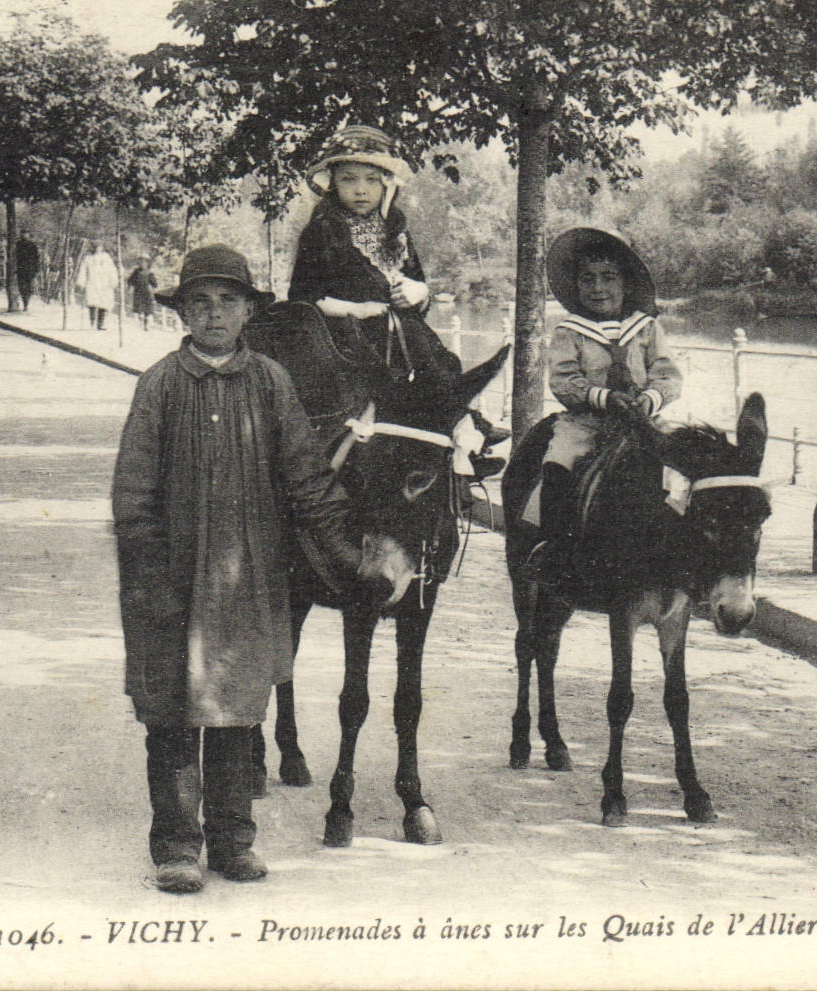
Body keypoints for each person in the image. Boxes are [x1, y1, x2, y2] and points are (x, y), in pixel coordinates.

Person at [111, 245, 364, 894]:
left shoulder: (271, 384)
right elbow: (133, 493)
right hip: (169, 579)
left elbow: (307, 477)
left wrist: (346, 551)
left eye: (228, 301)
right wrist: (147, 575)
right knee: (170, 715)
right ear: (181, 314)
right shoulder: (160, 385)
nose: (214, 313)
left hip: (246, 577)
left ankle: (231, 841)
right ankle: (176, 846)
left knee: (235, 712)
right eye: (199, 302)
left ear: (250, 311)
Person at [290, 124, 508, 473]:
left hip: (402, 333)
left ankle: (460, 442)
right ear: (333, 184)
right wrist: (358, 309)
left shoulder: (397, 232)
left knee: (439, 359)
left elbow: (418, 286)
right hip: (344, 335)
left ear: (386, 185)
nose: (360, 189)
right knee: (403, 362)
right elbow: (303, 298)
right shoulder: (322, 231)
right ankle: (460, 427)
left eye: (371, 180)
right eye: (348, 179)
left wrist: (418, 293)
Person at [520, 227, 682, 583]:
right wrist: (603, 397)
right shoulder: (570, 331)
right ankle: (553, 548)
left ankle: (682, 556)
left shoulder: (647, 328)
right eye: (588, 279)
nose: (598, 288)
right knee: (558, 463)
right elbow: (563, 380)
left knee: (681, 469)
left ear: (626, 283)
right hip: (587, 422)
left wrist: (650, 398)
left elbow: (668, 375)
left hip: (642, 421)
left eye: (608, 278)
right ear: (576, 286)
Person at [78, 242, 118, 330]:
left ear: (102, 248)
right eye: (95, 247)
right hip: (92, 282)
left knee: (103, 304)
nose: (97, 249)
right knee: (92, 302)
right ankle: (92, 323)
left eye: (99, 247)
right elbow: (83, 270)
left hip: (104, 284)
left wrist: (113, 281)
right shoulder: (88, 258)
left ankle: (100, 324)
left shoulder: (107, 258)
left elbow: (112, 270)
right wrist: (82, 282)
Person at [13, 230, 41, 312]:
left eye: (26, 234)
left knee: (29, 288)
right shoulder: (18, 244)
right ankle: (24, 302)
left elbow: (36, 259)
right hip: (20, 269)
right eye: (23, 234)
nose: (24, 236)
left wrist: (36, 270)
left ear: (29, 235)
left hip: (30, 270)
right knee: (21, 287)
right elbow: (14, 257)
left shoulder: (33, 246)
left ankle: (26, 304)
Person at [128, 262, 154, 329]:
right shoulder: (136, 272)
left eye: (145, 262)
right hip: (138, 292)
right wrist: (130, 287)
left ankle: (145, 325)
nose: (143, 264)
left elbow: (154, 283)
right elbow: (130, 280)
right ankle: (141, 321)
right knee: (140, 308)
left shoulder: (149, 272)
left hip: (146, 292)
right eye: (142, 262)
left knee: (146, 310)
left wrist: (153, 287)